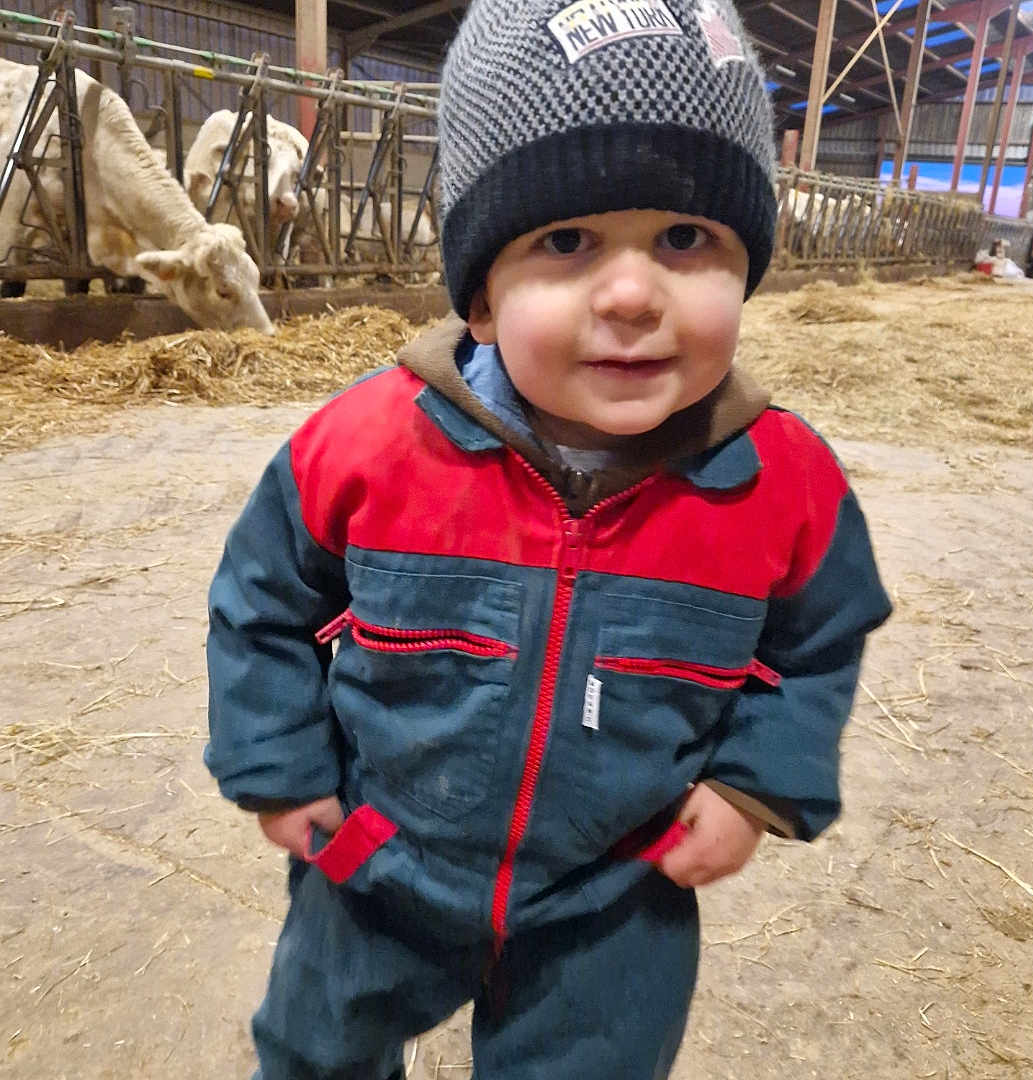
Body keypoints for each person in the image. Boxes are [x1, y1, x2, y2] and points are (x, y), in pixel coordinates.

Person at [204, 1, 892, 1076]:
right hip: (378, 866)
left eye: (685, 239)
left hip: (615, 897)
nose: (631, 293)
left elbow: (821, 640)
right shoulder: (369, 445)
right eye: (566, 242)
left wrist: (759, 779)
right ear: (480, 297)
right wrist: (280, 766)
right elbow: (261, 599)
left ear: (746, 267)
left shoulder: (779, 483)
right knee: (315, 1054)